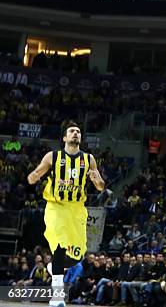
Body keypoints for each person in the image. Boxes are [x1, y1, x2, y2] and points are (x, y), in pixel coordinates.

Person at [27, 120, 106, 307]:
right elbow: (33, 177)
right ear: (64, 137)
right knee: (60, 247)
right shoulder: (52, 157)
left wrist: (98, 180)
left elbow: (101, 187)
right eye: (72, 131)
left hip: (77, 209)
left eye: (78, 131)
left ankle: (52, 267)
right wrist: (34, 176)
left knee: (75, 257)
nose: (76, 133)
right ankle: (57, 296)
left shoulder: (89, 159)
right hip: (56, 206)